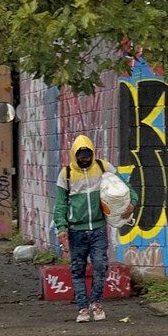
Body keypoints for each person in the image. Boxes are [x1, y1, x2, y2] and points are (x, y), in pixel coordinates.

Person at [58, 136, 111, 323]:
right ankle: (82, 307)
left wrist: (131, 203)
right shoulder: (66, 174)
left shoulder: (104, 167)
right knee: (77, 270)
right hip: (76, 232)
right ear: (75, 155)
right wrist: (61, 227)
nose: (84, 160)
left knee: (100, 265)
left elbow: (124, 187)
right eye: (81, 156)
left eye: (87, 155)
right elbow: (61, 204)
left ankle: (95, 302)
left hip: (98, 228)